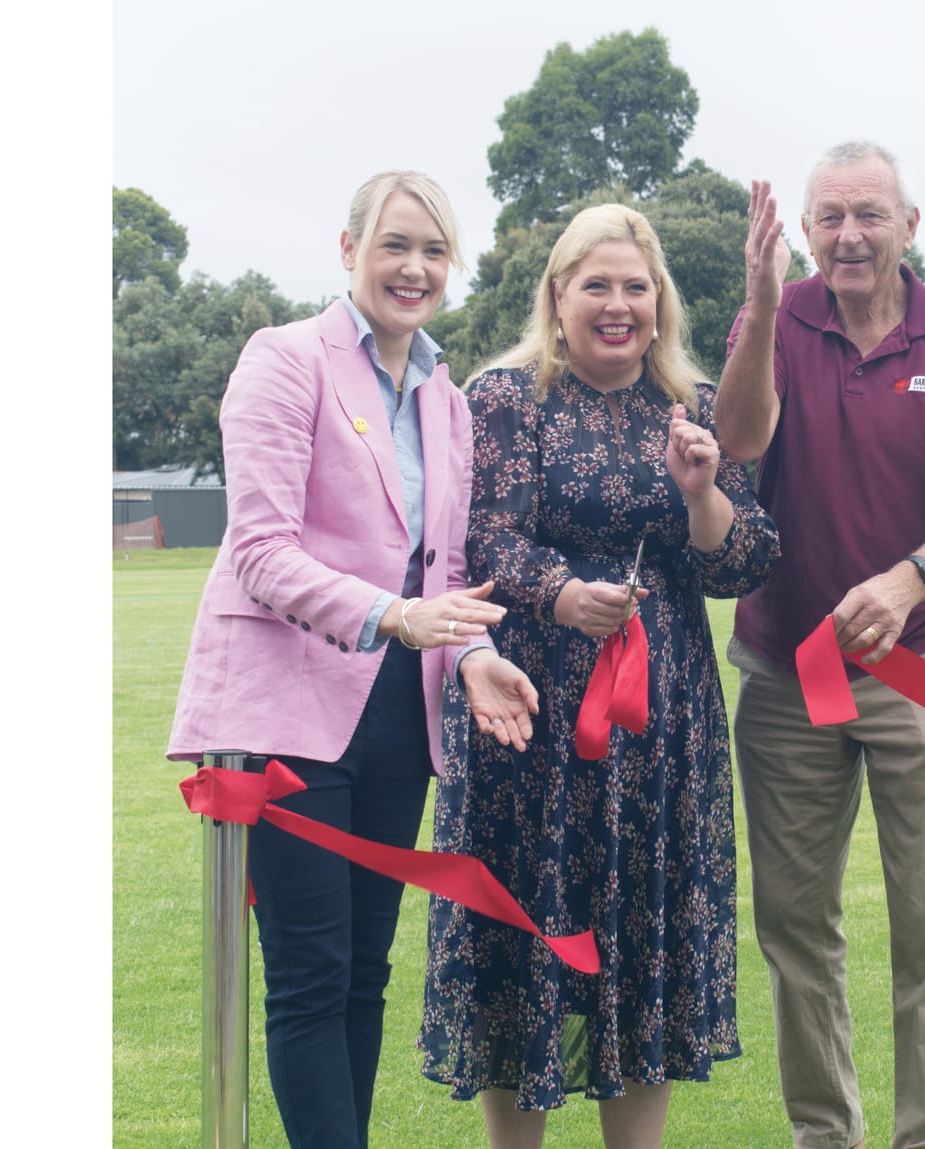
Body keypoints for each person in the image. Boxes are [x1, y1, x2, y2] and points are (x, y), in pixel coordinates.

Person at [167, 169, 540, 1149]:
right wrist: (393, 616)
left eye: (432, 250)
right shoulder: (283, 359)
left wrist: (473, 655)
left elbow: (447, 568)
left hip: (394, 716)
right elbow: (259, 550)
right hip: (286, 708)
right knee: (308, 975)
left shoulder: (443, 398)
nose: (413, 268)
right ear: (348, 251)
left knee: (366, 973)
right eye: (394, 245)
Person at [418, 203, 780, 1149]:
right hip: (527, 712)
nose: (617, 305)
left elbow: (742, 562)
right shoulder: (506, 398)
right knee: (524, 934)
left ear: (660, 303)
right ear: (558, 296)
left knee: (641, 939)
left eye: (636, 287)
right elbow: (484, 533)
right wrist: (564, 594)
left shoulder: (694, 408)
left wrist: (702, 494)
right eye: (597, 286)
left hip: (660, 725)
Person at [714, 141, 925, 1149]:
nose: (848, 236)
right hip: (787, 668)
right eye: (828, 217)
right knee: (795, 925)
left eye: (868, 215)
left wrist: (908, 576)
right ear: (802, 232)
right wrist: (760, 304)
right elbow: (741, 442)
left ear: (907, 227)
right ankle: (822, 1137)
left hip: (922, 659)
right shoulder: (775, 322)